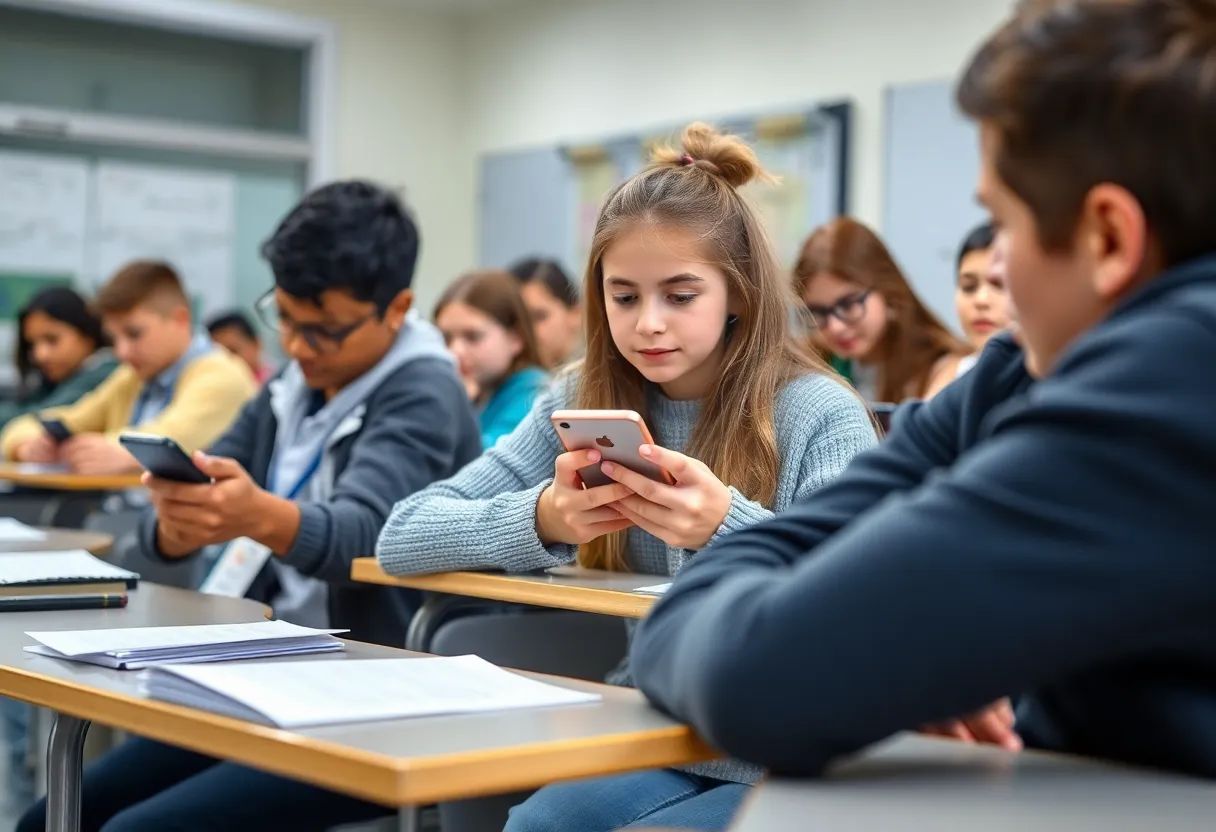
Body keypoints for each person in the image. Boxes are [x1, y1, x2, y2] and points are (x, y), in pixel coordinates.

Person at [630, 0, 1216, 792]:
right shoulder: (1014, 376)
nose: (992, 272)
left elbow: (753, 677)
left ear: (1107, 237)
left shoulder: (1173, 383)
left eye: (999, 224)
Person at [376, 123, 876, 831]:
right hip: (660, 721)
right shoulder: (581, 395)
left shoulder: (818, 412)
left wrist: (723, 526)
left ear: (737, 294)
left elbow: (858, 593)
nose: (648, 325)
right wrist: (543, 518)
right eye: (624, 296)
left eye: (680, 295)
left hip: (791, 742)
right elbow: (403, 535)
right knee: (535, 826)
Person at [16, 181, 482, 832]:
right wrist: (178, 524)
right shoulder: (293, 386)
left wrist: (253, 515)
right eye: (285, 319)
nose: (298, 346)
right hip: (268, 666)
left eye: (325, 330)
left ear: (397, 308)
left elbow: (372, 533)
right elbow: (186, 501)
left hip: (378, 690)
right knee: (55, 814)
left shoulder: (423, 390)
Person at [0, 262, 255, 474]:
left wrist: (113, 451)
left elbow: (168, 440)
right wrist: (27, 444)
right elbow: (64, 419)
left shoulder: (223, 376)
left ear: (180, 319)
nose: (122, 351)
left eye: (134, 334)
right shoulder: (132, 377)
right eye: (114, 338)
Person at [798, 217, 970, 403]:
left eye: (848, 305)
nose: (835, 327)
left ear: (887, 290)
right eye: (819, 312)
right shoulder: (809, 364)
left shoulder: (944, 371)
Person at [435, 269, 548, 448]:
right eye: (445, 338)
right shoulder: (474, 390)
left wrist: (458, 407)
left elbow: (489, 460)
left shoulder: (535, 394)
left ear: (516, 337)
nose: (454, 351)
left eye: (472, 336)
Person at [0, 286, 118, 427]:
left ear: (87, 334)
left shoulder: (106, 373)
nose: (40, 355)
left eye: (52, 340)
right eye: (31, 345)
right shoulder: (54, 380)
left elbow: (43, 417)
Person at [509, 257, 582, 368]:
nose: (527, 331)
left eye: (539, 317)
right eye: (516, 320)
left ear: (575, 313)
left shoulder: (599, 374)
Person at [205, 310, 275, 384]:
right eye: (219, 355)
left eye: (233, 351)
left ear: (256, 344)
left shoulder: (275, 385)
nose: (226, 361)